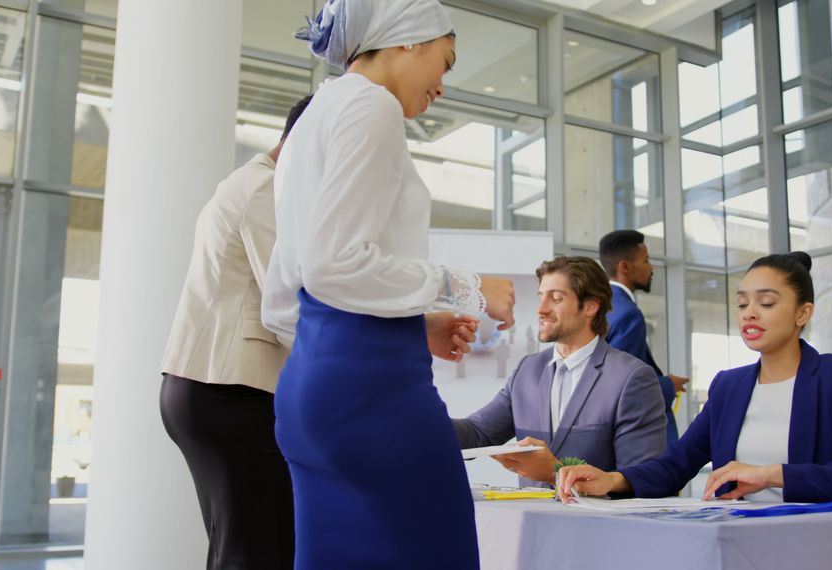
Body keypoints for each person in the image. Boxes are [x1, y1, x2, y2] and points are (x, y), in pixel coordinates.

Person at [261, 1, 515, 568]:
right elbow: (335, 266)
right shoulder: (371, 105)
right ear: (410, 41)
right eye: (445, 63)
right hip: (373, 396)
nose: (442, 86)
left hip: (309, 396)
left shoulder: (311, 120)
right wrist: (467, 288)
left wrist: (411, 323)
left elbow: (284, 301)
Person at [558, 252, 832, 504]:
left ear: (802, 313)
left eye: (767, 303)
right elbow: (677, 463)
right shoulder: (729, 386)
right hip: (739, 543)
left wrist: (774, 475)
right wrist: (614, 479)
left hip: (817, 547)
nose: (750, 314)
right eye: (743, 304)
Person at [159, 94, 312, 570]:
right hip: (228, 392)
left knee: (241, 549)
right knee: (257, 552)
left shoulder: (255, 185)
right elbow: (290, 299)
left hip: (215, 389)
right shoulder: (263, 191)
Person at [452, 257, 666, 487]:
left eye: (555, 299)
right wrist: (418, 407)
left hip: (598, 522)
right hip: (531, 522)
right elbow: (476, 434)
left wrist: (555, 472)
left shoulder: (631, 378)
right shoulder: (528, 370)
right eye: (540, 297)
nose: (541, 309)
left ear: (591, 307)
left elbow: (643, 478)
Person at [599, 229, 688, 444]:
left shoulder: (600, 306)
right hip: (636, 438)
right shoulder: (629, 314)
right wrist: (668, 384)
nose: (651, 267)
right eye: (646, 260)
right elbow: (625, 386)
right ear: (625, 267)